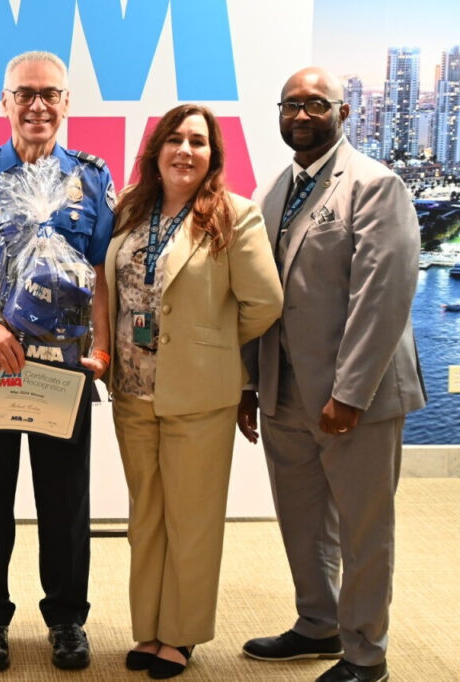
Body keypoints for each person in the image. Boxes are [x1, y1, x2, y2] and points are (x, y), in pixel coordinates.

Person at [239, 67, 425, 682]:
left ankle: (366, 654)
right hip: (284, 390)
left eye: (316, 103)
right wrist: (249, 384)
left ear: (343, 113)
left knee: (364, 527)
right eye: (290, 104)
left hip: (356, 397)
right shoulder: (274, 191)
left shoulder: (375, 185)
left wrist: (350, 394)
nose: (301, 114)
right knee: (302, 519)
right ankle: (317, 623)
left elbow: (383, 296)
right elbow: (258, 297)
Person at [0, 50, 113, 672]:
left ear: (67, 102)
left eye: (50, 94)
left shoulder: (91, 178)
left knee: (65, 498)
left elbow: (101, 274)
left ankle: (66, 619)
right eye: (25, 94)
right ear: (5, 102)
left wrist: (101, 349)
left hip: (64, 365)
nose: (38, 106)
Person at [104, 104, 283, 679]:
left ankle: (180, 636)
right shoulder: (129, 209)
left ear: (213, 156)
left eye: (198, 142)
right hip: (132, 390)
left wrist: (210, 344)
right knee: (146, 517)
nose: (185, 150)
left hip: (200, 393)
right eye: (175, 139)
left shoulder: (235, 215)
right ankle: (149, 628)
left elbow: (265, 303)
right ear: (156, 149)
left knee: (193, 520)